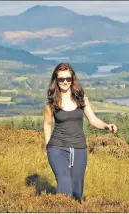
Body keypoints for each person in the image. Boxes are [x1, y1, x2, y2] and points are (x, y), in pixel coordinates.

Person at [43, 62, 117, 203]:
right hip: (57, 147)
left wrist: (107, 126)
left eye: (68, 79)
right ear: (56, 80)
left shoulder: (81, 98)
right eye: (61, 79)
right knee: (65, 183)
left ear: (72, 79)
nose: (65, 82)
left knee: (77, 190)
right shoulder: (51, 101)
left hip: (79, 148)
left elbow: (93, 119)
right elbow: (47, 124)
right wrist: (47, 147)